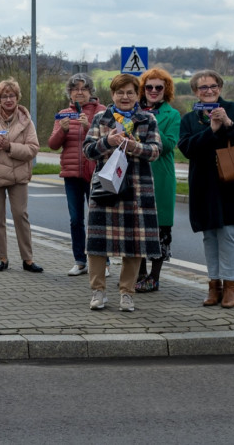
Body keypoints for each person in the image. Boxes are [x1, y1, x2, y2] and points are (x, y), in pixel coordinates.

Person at [178, 69, 234, 308]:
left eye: (213, 86)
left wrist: (228, 123)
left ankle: (231, 285)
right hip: (204, 184)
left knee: (230, 234)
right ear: (195, 92)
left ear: (220, 88)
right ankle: (214, 286)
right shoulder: (190, 118)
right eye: (203, 88)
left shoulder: (233, 109)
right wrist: (211, 130)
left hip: (232, 182)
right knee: (210, 236)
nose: (209, 91)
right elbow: (187, 149)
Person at [82, 73, 161, 312]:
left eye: (129, 92)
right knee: (96, 243)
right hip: (106, 188)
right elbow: (87, 151)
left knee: (135, 244)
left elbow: (156, 151)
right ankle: (98, 292)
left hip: (137, 189)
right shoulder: (100, 118)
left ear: (137, 95)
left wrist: (133, 145)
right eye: (119, 93)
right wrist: (109, 141)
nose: (124, 97)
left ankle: (127, 293)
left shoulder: (147, 119)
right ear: (112, 95)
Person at [0, 78, 43, 273]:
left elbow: (33, 149)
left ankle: (28, 260)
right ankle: (2, 258)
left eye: (11, 95)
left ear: (17, 97)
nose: (8, 99)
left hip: (18, 177)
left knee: (21, 216)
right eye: (4, 96)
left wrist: (9, 146)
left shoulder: (26, 121)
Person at [47, 73, 106, 276]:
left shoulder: (101, 111)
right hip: (72, 174)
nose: (79, 92)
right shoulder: (64, 113)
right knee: (75, 219)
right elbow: (53, 145)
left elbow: (108, 141)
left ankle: (103, 262)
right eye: (75, 89)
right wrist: (62, 131)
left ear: (91, 91)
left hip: (96, 173)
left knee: (97, 219)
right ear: (69, 93)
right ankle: (80, 260)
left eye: (83, 88)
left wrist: (88, 127)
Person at [135, 67, 182, 293]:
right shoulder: (132, 111)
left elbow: (169, 145)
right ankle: (140, 274)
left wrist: (151, 120)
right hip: (136, 175)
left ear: (166, 90)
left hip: (160, 178)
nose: (153, 91)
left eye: (158, 87)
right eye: (149, 87)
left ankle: (154, 277)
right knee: (138, 227)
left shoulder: (172, 115)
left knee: (159, 229)